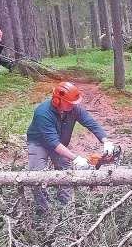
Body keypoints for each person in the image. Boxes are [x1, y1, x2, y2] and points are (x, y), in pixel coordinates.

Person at [26, 81, 116, 212]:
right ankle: (43, 210)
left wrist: (105, 140)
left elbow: (90, 122)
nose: (73, 106)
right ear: (57, 100)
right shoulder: (43, 113)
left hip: (59, 144)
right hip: (39, 143)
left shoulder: (73, 108)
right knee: (36, 175)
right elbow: (53, 143)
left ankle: (66, 208)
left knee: (66, 173)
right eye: (70, 103)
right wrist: (75, 158)